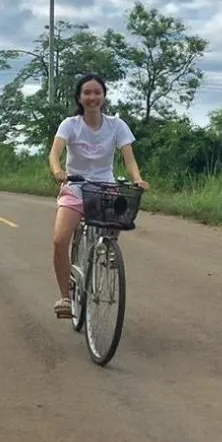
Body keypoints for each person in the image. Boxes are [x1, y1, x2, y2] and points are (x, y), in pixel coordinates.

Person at [48, 73, 148, 317]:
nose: (92, 97)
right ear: (80, 97)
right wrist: (59, 170)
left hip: (104, 187)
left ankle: (106, 247)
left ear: (103, 96)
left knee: (120, 212)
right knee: (60, 240)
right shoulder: (70, 125)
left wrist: (137, 179)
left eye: (97, 92)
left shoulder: (117, 125)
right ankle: (65, 297)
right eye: (87, 93)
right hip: (75, 187)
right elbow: (54, 154)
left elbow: (129, 158)